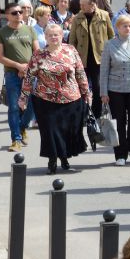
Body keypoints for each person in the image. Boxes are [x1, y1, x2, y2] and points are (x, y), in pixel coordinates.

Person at [19, 24, 91, 174]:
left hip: (70, 98)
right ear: (45, 37)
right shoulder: (39, 54)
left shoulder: (70, 50)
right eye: (50, 35)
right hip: (45, 100)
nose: (53, 37)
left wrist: (86, 92)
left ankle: (64, 158)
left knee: (66, 131)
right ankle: (52, 160)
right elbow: (29, 77)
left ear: (61, 36)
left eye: (56, 34)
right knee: (50, 132)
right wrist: (23, 98)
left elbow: (80, 73)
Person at [99, 14, 130, 166]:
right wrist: (103, 92)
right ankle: (120, 154)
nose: (128, 28)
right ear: (117, 28)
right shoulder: (110, 44)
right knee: (119, 121)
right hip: (115, 87)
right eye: (125, 26)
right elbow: (104, 69)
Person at [0, 2, 40, 152]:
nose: (19, 14)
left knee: (33, 105)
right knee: (14, 107)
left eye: (20, 12)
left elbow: (37, 52)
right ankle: (16, 139)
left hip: (30, 73)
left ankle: (22, 127)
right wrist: (17, 66)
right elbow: (0, 57)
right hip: (12, 74)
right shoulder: (1, 33)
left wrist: (27, 68)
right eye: (14, 13)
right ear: (7, 15)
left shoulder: (30, 30)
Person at [70, 0, 114, 122]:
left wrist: (111, 55)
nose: (81, 7)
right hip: (82, 58)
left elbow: (111, 36)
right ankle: (82, 114)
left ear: (92, 4)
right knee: (81, 88)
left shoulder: (104, 15)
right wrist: (72, 57)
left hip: (99, 57)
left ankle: (96, 114)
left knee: (98, 87)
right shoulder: (77, 17)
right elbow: (72, 40)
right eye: (80, 4)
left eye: (83, 4)